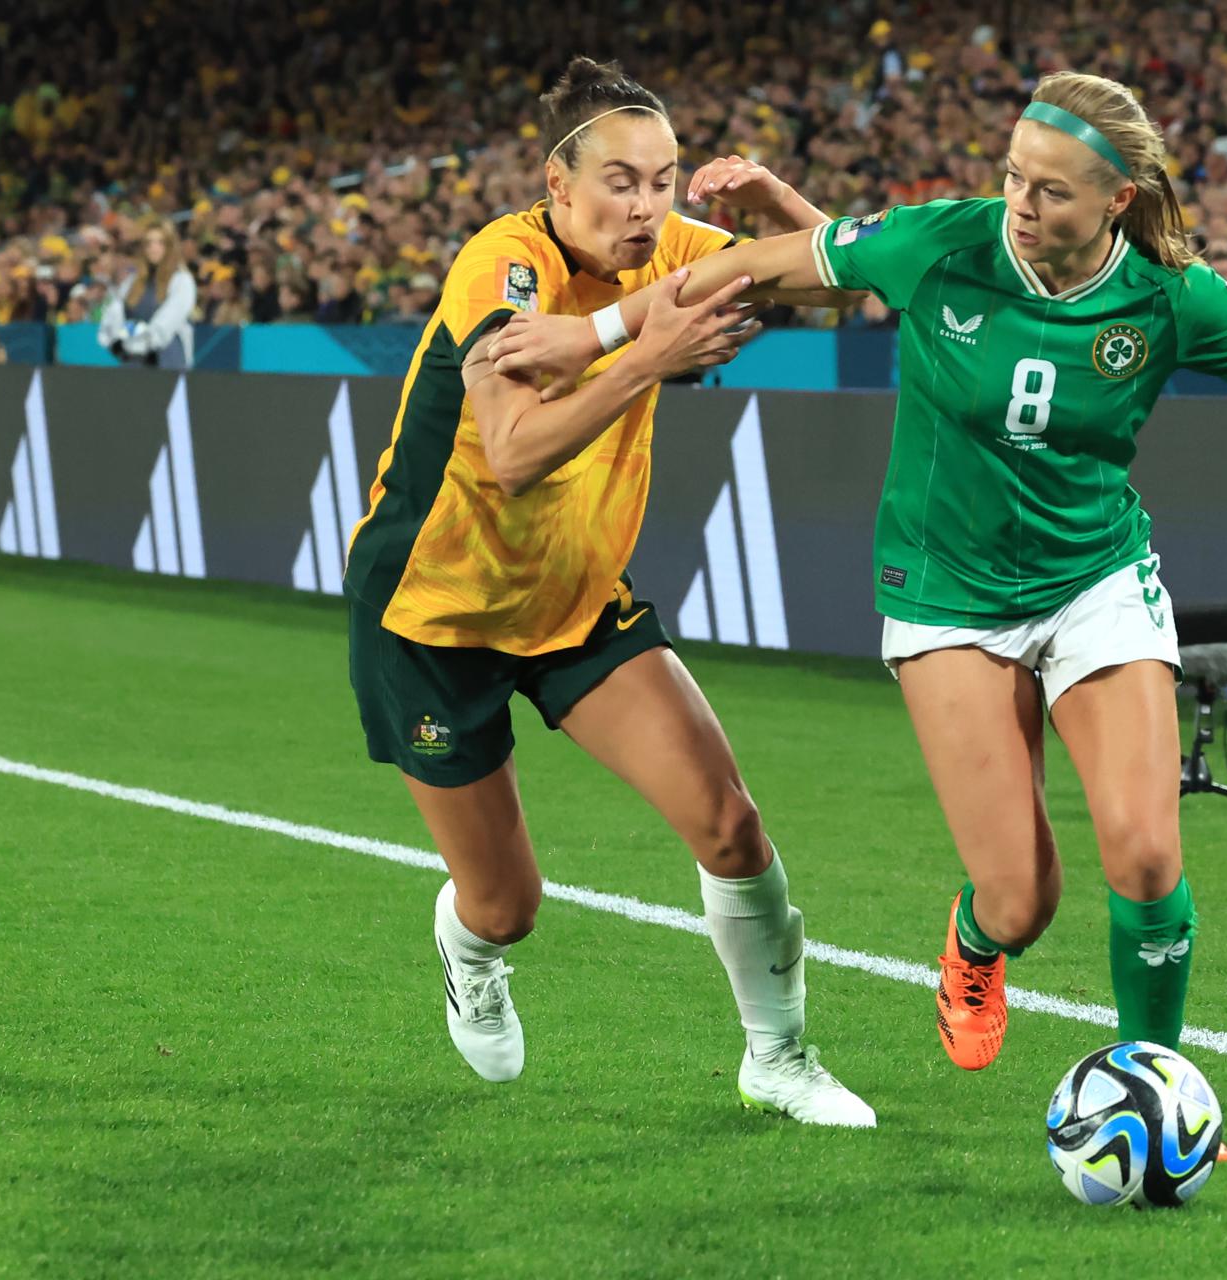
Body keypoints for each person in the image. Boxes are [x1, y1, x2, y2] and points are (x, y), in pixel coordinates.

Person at [487, 71, 1227, 1097]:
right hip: (947, 593)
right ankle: (979, 937)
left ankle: (1153, 1082)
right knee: (1021, 899)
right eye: (1015, 178)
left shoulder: (1171, 295)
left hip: (1095, 581)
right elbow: (754, 267)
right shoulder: (950, 238)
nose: (1021, 206)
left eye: (1051, 191)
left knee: (1148, 855)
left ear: (1119, 199)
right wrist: (589, 335)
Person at [343, 57, 873, 1126]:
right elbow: (514, 449)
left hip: (578, 599)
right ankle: (470, 946)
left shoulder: (672, 252)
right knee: (508, 903)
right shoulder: (503, 269)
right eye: (622, 182)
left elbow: (839, 283)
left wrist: (779, 209)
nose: (646, 207)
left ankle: (779, 1057)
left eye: (666, 181)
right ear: (558, 186)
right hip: (433, 613)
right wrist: (646, 354)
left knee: (729, 822)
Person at [96, 218, 197, 367]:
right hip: (132, 359)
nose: (153, 248)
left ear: (170, 246)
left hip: (166, 359)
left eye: (160, 242)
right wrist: (118, 340)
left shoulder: (181, 280)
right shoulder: (133, 281)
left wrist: (139, 338)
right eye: (148, 243)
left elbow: (166, 324)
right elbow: (114, 316)